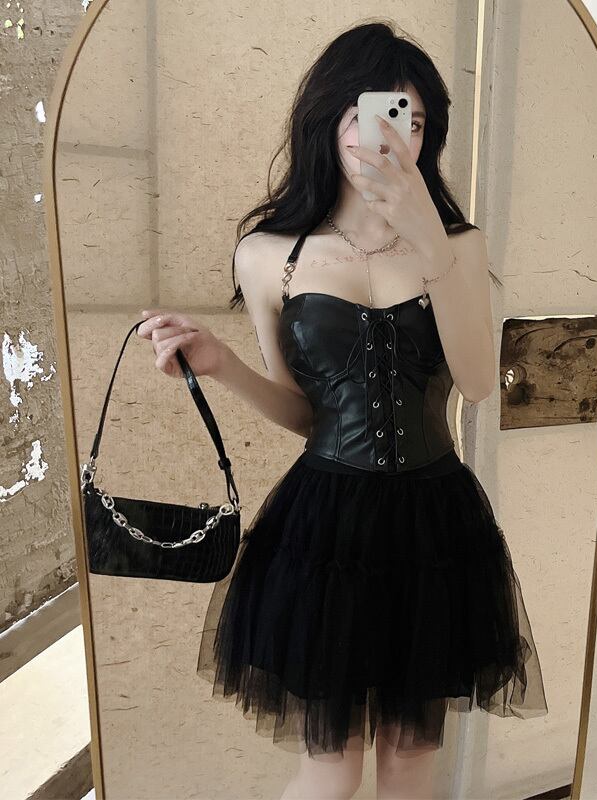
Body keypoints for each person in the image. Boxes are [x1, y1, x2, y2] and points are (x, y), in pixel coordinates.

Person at [137, 20, 547, 800]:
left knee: (410, 759)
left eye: (412, 121)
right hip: (324, 529)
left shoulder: (460, 246)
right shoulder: (268, 254)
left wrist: (429, 242)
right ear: (330, 118)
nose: (391, 137)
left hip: (435, 527)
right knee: (330, 768)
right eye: (373, 113)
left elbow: (477, 384)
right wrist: (221, 365)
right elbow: (306, 416)